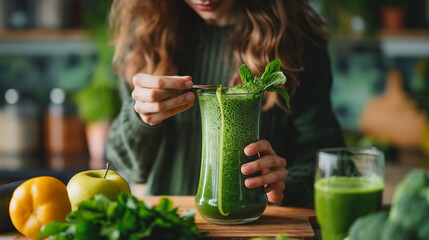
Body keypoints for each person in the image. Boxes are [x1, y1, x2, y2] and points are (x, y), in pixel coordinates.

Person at [106, 0, 344, 207]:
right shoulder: (146, 35)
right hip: (172, 221)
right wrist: (140, 118)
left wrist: (284, 186)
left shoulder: (300, 41)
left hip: (256, 226)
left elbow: (323, 160)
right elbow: (127, 167)